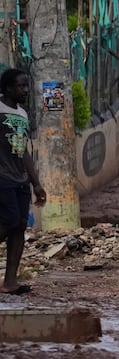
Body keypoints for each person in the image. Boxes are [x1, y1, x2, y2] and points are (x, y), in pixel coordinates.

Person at [0, 69, 46, 295]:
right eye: (21, 86)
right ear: (8, 88)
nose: (26, 90)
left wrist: (36, 182)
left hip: (20, 179)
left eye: (26, 86)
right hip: (3, 178)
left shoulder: (23, 114)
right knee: (7, 223)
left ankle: (10, 282)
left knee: (19, 227)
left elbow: (23, 150)